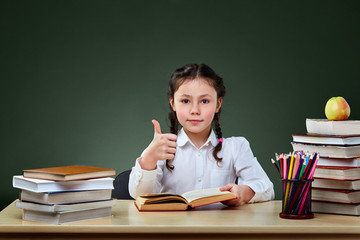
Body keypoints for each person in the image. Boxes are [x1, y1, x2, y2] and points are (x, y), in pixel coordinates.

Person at [128, 63, 274, 206]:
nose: (195, 110)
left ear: (218, 104)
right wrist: (149, 159)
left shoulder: (235, 147)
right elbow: (139, 195)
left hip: (219, 228)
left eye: (204, 101)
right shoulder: (162, 147)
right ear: (173, 103)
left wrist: (243, 192)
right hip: (172, 228)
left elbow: (266, 188)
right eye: (185, 101)